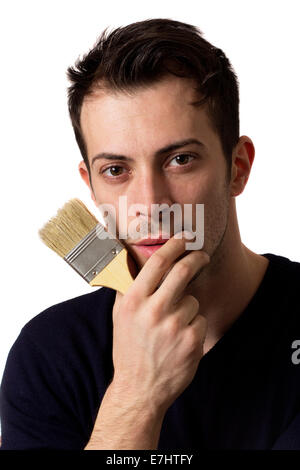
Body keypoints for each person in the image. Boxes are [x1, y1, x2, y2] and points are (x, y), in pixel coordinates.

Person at [1, 17, 300, 451]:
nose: (150, 204)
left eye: (180, 159)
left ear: (237, 167)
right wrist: (136, 398)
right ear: (91, 185)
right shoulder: (49, 356)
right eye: (116, 170)